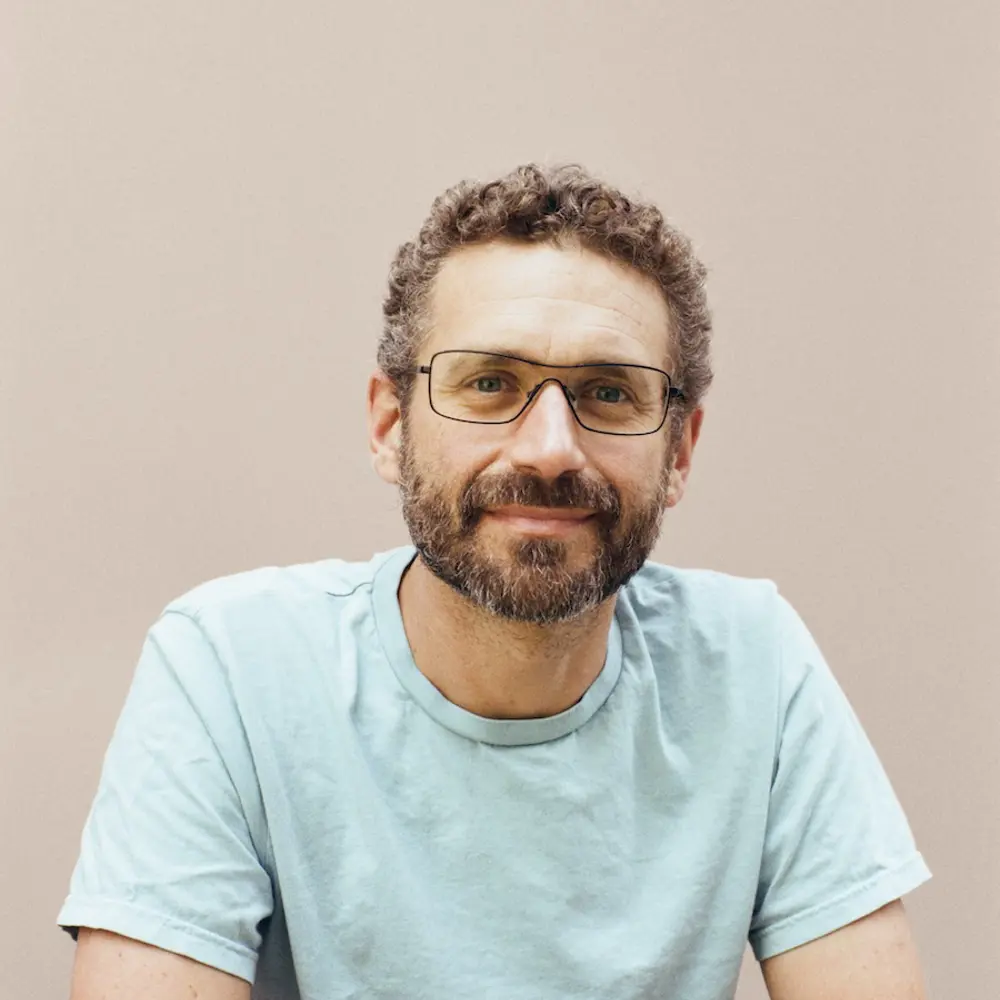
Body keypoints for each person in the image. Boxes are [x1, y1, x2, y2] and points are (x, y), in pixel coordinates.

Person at [58, 163, 932, 1000]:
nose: (550, 449)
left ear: (680, 452)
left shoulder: (752, 663)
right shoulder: (232, 668)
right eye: (488, 383)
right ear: (390, 425)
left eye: (609, 393)